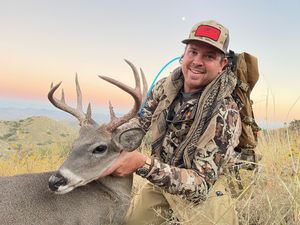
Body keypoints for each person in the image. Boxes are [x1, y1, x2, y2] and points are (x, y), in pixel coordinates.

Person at [103, 20, 241, 225]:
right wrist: (106, 137)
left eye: (209, 56)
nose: (197, 61)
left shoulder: (225, 112)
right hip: (161, 180)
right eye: (193, 52)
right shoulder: (164, 88)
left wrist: (142, 164)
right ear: (183, 55)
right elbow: (141, 123)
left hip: (204, 190)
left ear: (223, 65)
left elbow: (201, 187)